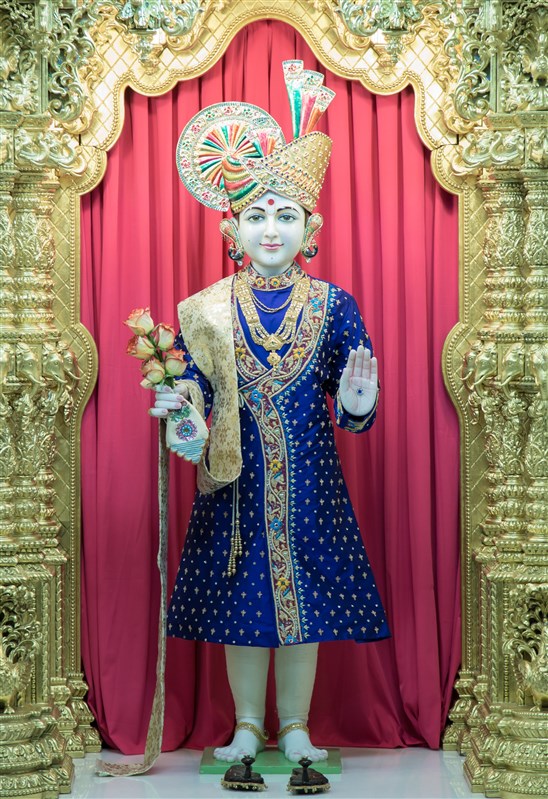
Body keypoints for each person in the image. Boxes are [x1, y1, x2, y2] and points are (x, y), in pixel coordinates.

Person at [149, 61, 389, 764]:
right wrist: (181, 411)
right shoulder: (207, 309)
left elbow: (354, 396)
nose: (272, 229)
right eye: (257, 216)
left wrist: (358, 404)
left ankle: (296, 725)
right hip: (235, 477)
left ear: (310, 227)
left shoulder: (335, 305)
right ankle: (249, 724)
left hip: (311, 479)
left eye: (286, 216)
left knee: (305, 598)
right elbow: (194, 390)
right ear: (234, 229)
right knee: (241, 600)